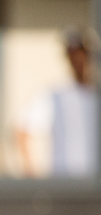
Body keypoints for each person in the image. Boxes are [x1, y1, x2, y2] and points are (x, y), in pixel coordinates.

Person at [17, 28, 97, 178]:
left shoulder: (95, 95)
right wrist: (32, 176)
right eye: (72, 54)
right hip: (65, 185)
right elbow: (22, 131)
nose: (78, 60)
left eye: (81, 53)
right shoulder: (55, 96)